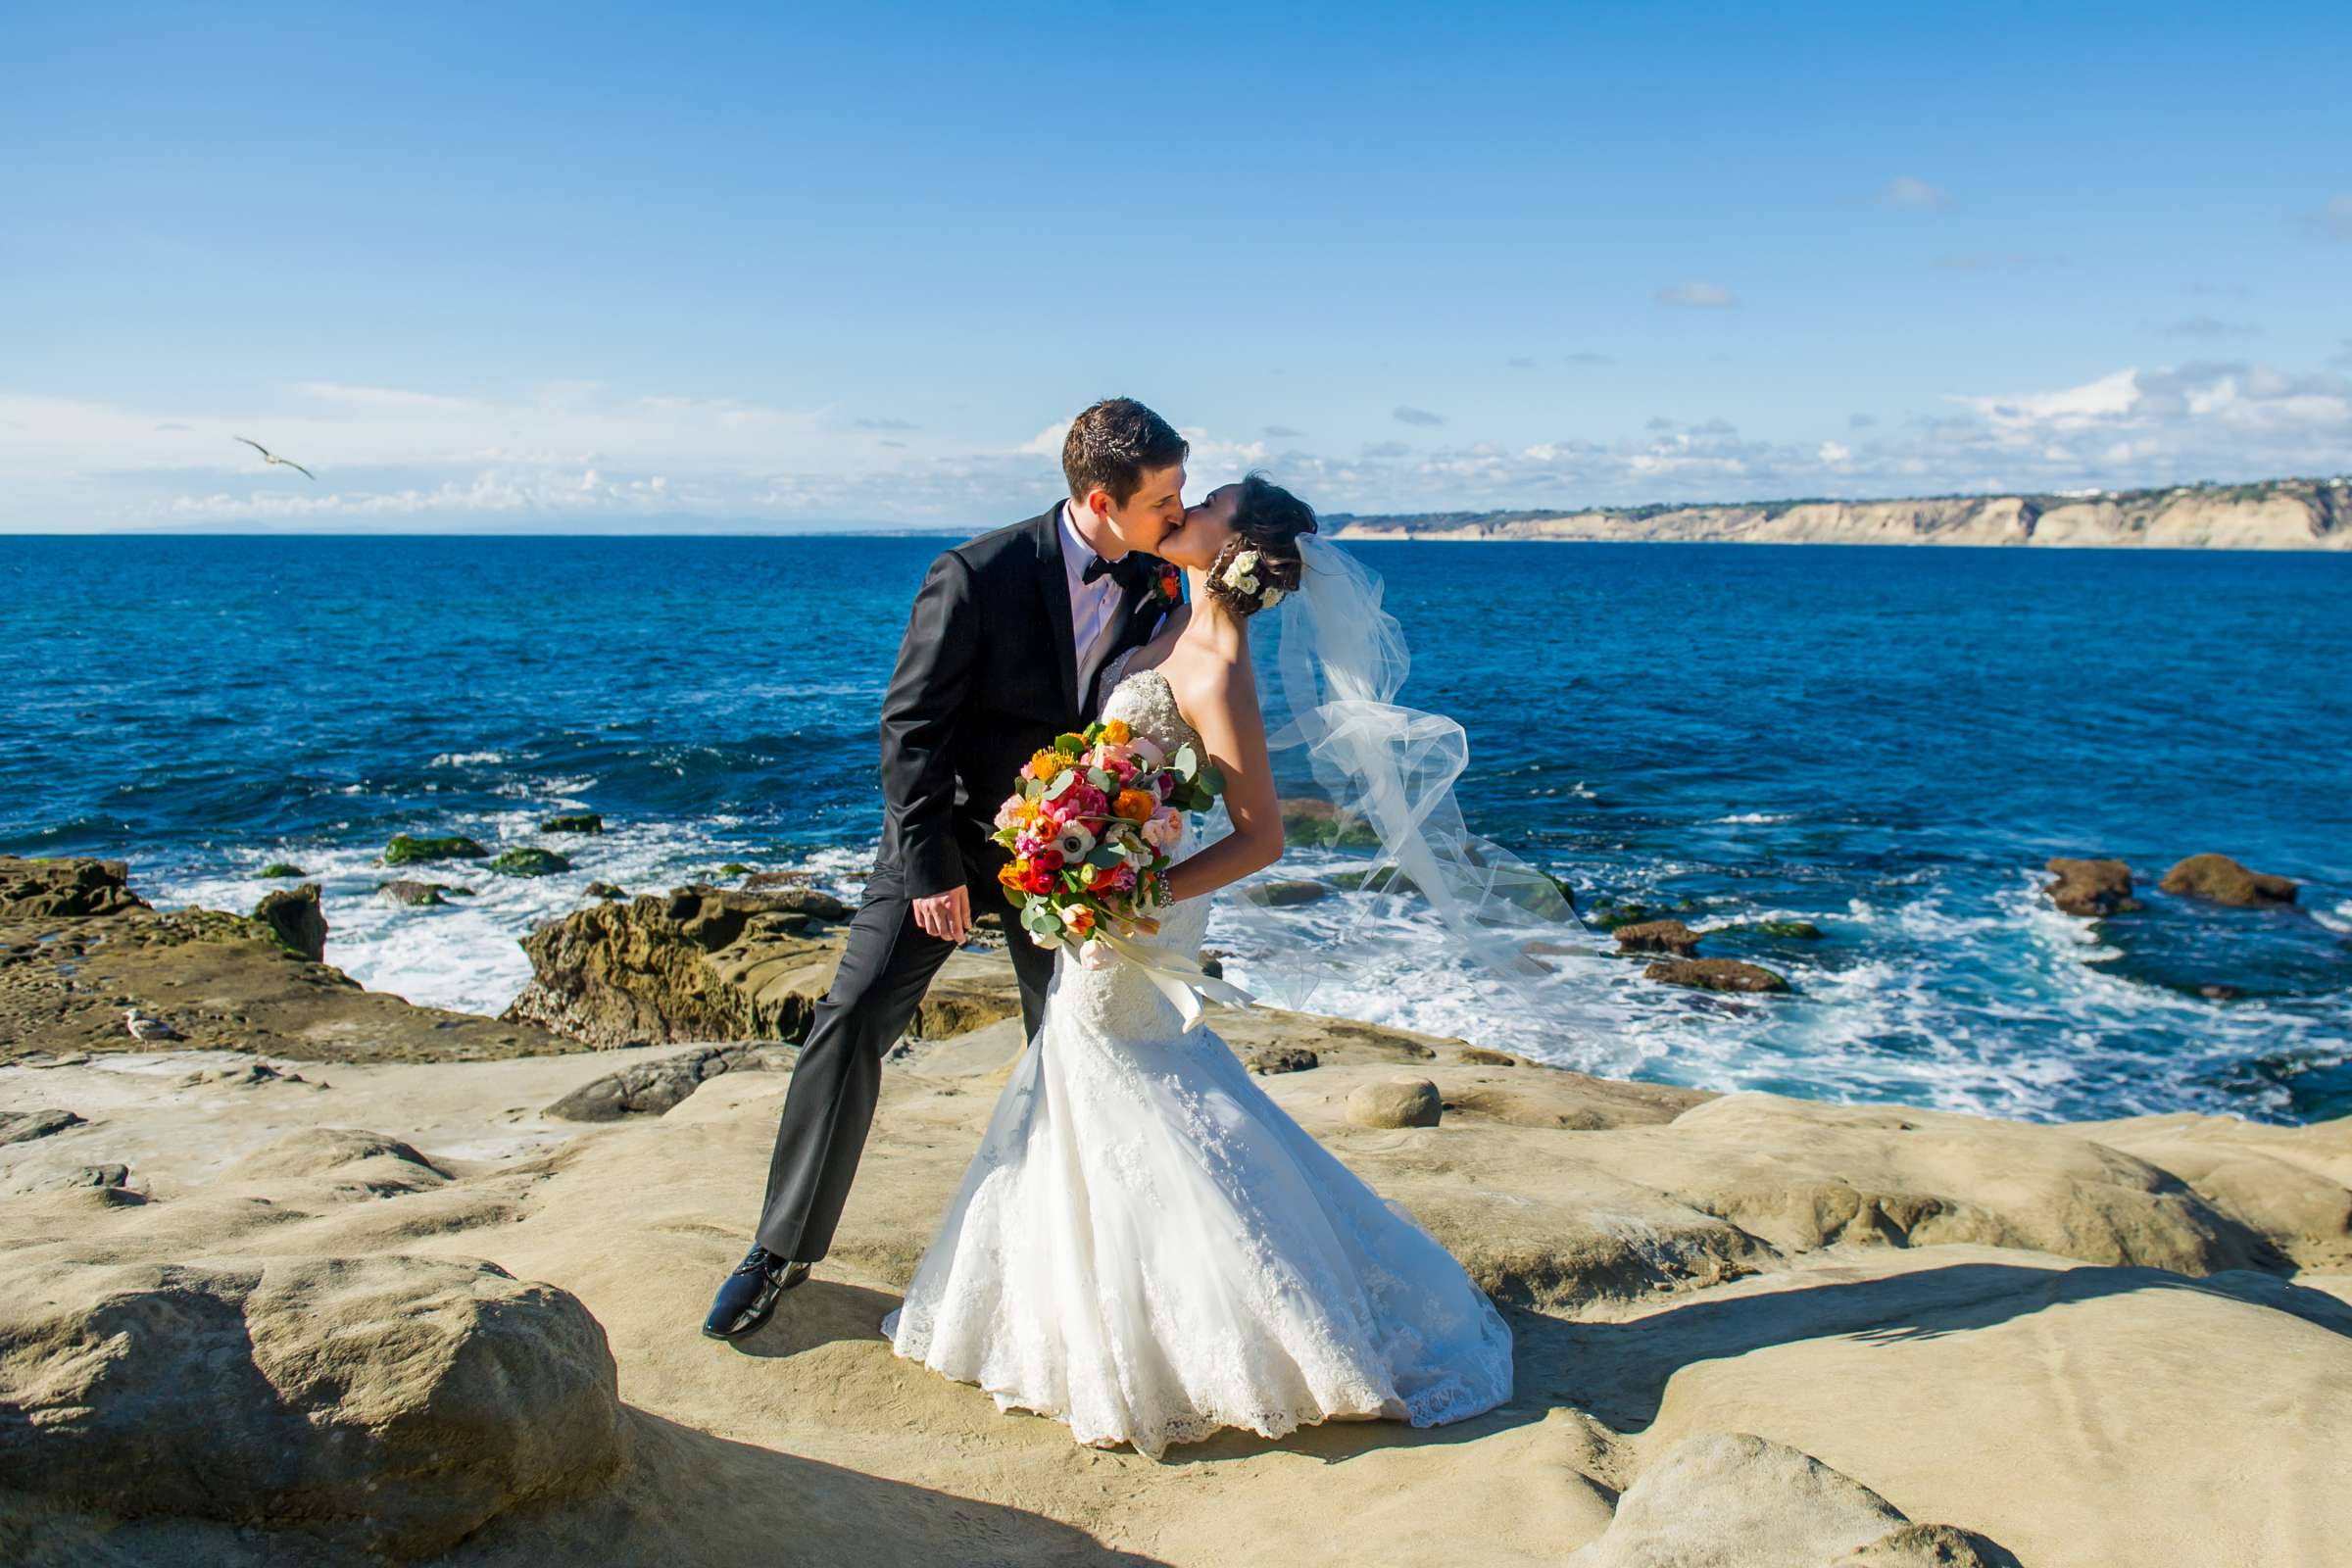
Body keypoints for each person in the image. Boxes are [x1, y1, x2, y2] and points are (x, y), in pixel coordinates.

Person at [876, 475, 1515, 1458]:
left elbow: (1263, 838)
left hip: (1141, 909)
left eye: (1204, 504)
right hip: (1104, 891)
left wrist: (1136, 895)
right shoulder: (1165, 618)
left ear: (1231, 549)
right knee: (1084, 1083)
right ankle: (1076, 1310)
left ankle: (1213, 1330)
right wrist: (1067, 834)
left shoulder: (1219, 670)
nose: (1184, 511)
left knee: (1122, 1078)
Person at [703, 397, 1188, 1340]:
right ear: (1101, 498)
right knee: (850, 1021)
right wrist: (930, 873)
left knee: (1081, 1045)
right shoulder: (975, 575)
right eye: (1164, 498)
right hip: (950, 836)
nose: (1178, 511)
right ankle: (779, 1250)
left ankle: (1095, 1269)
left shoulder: (1158, 579)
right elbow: (910, 729)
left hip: (1079, 854)